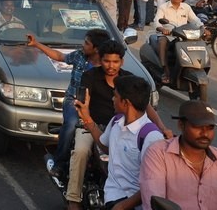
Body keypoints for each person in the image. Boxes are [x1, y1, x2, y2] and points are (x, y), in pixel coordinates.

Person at [65, 40, 172, 209]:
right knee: (81, 151)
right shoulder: (90, 76)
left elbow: (146, 106)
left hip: (128, 198)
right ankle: (73, 199)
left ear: (122, 61)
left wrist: (162, 127)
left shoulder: (129, 81)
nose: (111, 65)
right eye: (107, 61)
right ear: (101, 60)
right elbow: (84, 98)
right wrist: (86, 117)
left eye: (115, 61)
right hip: (97, 125)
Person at [27, 29, 108, 180]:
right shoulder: (78, 56)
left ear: (96, 48)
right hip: (73, 100)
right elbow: (59, 56)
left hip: (95, 105)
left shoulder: (106, 66)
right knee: (71, 125)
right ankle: (59, 163)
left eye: (86, 43)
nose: (83, 45)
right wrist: (37, 44)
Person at [75, 75, 165, 210]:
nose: (112, 99)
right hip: (112, 196)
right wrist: (87, 118)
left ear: (125, 103)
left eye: (115, 96)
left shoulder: (151, 137)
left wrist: (122, 206)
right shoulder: (116, 121)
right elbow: (105, 146)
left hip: (132, 203)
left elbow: (153, 185)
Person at [140, 101, 217, 209]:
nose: (205, 133)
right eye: (198, 127)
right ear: (181, 125)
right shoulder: (158, 154)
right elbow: (154, 202)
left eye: (210, 128)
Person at [153, 0, 203, 84]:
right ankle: (165, 70)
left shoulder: (186, 7)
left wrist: (202, 27)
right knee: (162, 42)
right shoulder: (163, 7)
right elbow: (156, 21)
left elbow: (195, 20)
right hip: (168, 35)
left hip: (183, 36)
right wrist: (162, 29)